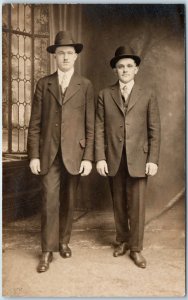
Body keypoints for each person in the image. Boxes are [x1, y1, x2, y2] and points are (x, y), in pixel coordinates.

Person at [27, 31, 94, 273]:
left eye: (69, 53)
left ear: (75, 56)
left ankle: (64, 241)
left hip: (75, 154)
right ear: (54, 56)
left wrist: (88, 158)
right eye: (60, 53)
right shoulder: (43, 84)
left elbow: (90, 125)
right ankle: (47, 250)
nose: (65, 57)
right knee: (49, 200)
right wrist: (33, 155)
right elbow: (34, 123)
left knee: (69, 201)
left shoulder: (85, 85)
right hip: (48, 153)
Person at [95, 45, 161, 268]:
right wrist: (100, 158)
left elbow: (155, 130)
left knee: (137, 204)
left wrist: (152, 159)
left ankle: (136, 248)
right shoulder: (104, 95)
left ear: (136, 69)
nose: (124, 70)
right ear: (115, 70)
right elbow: (99, 128)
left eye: (129, 66)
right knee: (119, 202)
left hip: (139, 159)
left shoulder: (148, 94)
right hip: (114, 157)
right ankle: (122, 240)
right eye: (120, 66)